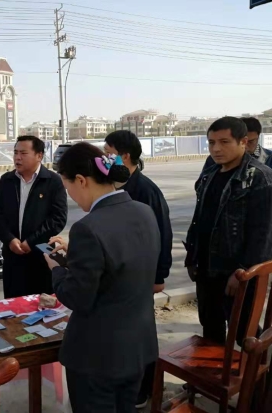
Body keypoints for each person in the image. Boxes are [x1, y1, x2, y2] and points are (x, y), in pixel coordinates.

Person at [44, 142, 161, 413]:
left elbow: (78, 297)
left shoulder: (88, 228)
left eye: (67, 186)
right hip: (137, 346)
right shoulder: (144, 211)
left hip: (97, 356)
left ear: (81, 180)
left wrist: (56, 269)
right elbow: (121, 265)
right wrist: (76, 255)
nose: (71, 196)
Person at [185, 117, 272, 346]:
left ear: (243, 142)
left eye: (224, 142)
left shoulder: (259, 177)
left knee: (245, 332)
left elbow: (263, 234)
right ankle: (214, 370)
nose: (216, 148)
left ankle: (258, 369)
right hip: (206, 269)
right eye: (211, 142)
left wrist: (243, 271)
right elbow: (200, 219)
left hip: (237, 274)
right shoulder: (209, 174)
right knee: (210, 330)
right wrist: (192, 257)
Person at [104, 130, 173, 408]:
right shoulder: (114, 184)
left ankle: (146, 388)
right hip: (123, 276)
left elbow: (163, 234)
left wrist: (159, 275)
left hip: (142, 276)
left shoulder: (145, 190)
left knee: (141, 335)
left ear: (125, 156)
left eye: (108, 153)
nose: (104, 158)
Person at [0, 135, 68, 298]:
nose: (17, 157)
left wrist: (31, 241)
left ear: (39, 156)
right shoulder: (7, 180)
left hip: (42, 254)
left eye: (23, 153)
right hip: (13, 253)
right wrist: (9, 239)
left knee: (42, 304)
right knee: (14, 303)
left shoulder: (52, 181)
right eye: (15, 152)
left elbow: (58, 219)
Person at [201, 117, 272, 171]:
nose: (245, 146)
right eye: (211, 142)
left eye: (251, 141)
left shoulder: (269, 159)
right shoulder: (214, 159)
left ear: (258, 137)